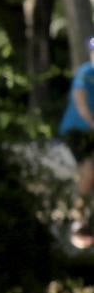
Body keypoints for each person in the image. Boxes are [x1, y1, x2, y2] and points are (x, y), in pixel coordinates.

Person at [59, 36, 94, 248]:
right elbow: (80, 101)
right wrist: (92, 122)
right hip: (76, 131)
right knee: (89, 168)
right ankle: (78, 217)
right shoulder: (86, 72)